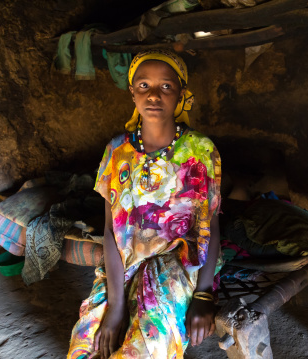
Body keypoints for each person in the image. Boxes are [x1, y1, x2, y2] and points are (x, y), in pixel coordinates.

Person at [68, 50, 222, 359]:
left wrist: (204, 294)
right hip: (123, 266)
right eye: (144, 86)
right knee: (86, 346)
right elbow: (111, 232)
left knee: (140, 351)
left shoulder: (200, 151)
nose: (153, 95)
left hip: (177, 266)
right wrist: (114, 306)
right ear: (132, 92)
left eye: (165, 86)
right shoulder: (116, 152)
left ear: (180, 93)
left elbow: (212, 228)